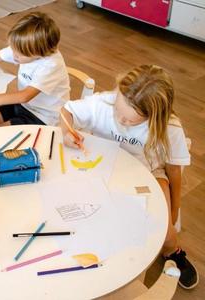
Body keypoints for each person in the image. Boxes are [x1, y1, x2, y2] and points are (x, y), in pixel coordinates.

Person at [61, 65, 198, 289]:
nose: (120, 121)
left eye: (130, 120)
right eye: (118, 111)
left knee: (165, 233)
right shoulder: (105, 102)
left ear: (154, 115)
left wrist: (173, 213)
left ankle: (173, 251)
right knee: (82, 214)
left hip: (150, 172)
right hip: (102, 165)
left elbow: (174, 171)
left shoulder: (169, 128)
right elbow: (66, 111)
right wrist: (67, 132)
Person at [0, 12, 70, 128]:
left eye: (19, 54)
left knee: (0, 136)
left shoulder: (51, 65)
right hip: (23, 105)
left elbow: (25, 96)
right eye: (13, 50)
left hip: (46, 117)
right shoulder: (22, 47)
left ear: (40, 54)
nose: (14, 55)